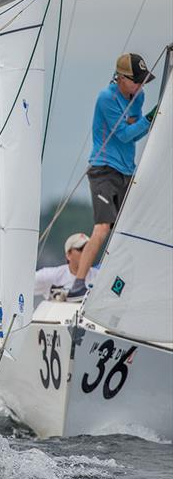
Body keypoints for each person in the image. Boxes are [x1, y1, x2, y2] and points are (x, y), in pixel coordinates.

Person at [67, 53, 156, 301]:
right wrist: (151, 117)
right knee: (103, 227)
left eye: (143, 81)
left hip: (127, 171)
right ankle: (78, 284)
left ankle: (121, 286)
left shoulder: (139, 96)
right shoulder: (106, 98)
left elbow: (135, 132)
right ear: (121, 78)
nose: (140, 86)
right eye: (136, 80)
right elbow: (126, 134)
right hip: (103, 169)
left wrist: (144, 120)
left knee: (128, 230)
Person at [35, 233, 99, 300]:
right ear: (68, 255)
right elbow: (24, 283)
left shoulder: (100, 276)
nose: (86, 253)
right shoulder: (51, 275)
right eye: (80, 249)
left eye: (88, 249)